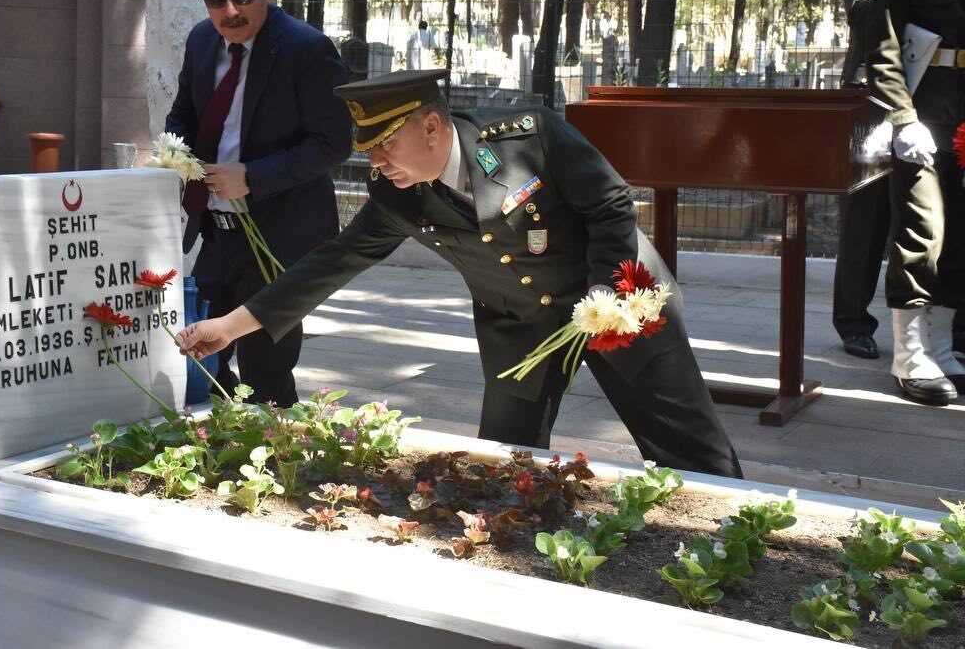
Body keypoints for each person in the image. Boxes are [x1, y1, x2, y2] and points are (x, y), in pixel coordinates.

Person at [179, 69, 743, 478]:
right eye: (368, 150)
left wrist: (605, 300)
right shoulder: (396, 193)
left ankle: (735, 554)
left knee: (687, 450)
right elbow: (334, 260)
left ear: (431, 126)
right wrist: (230, 326)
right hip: (521, 325)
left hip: (619, 295)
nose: (375, 163)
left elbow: (611, 205)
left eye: (385, 146)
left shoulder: (530, 137)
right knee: (504, 460)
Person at [164, 0, 351, 407]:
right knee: (199, 358)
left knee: (265, 372)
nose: (230, 11)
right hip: (217, 231)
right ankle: (213, 462)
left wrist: (253, 175)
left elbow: (334, 143)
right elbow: (183, 116)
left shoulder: (305, 49)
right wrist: (175, 158)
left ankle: (277, 464)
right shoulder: (202, 42)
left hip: (279, 236)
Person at [865, 0, 965, 404]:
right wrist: (903, 119)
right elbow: (882, 45)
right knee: (923, 228)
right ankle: (911, 356)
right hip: (926, 105)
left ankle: (944, 350)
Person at [833, 0, 943, 361]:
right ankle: (855, 322)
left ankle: (927, 326)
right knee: (867, 214)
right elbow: (861, 11)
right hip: (873, 106)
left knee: (927, 218)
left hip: (931, 105)